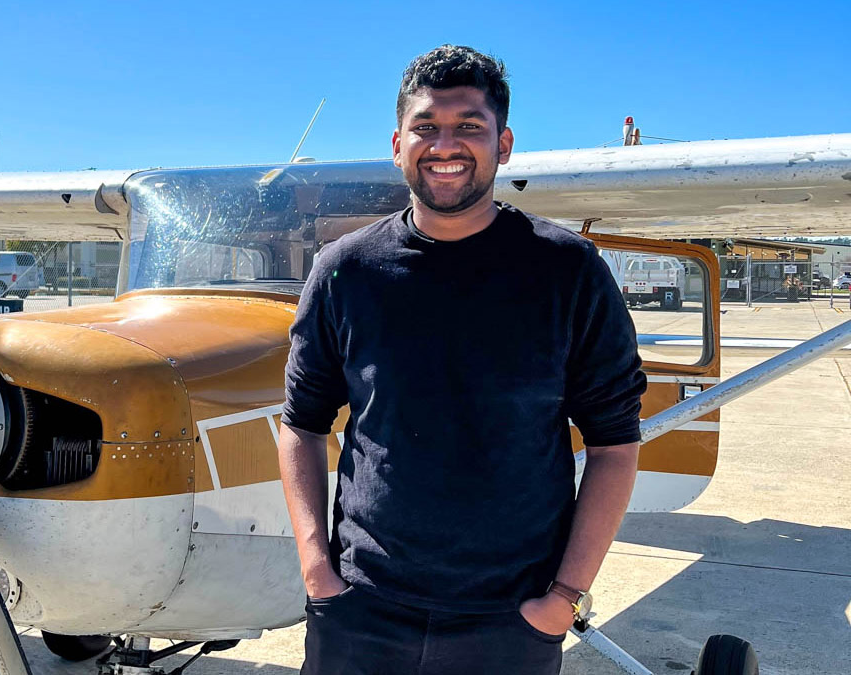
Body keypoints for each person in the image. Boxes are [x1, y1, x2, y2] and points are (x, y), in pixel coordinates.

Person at [277, 45, 647, 675]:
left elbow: (614, 444)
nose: (444, 145)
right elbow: (301, 424)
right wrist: (318, 568)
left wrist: (562, 598)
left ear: (503, 144)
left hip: (510, 619)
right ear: (398, 145)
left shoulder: (568, 271)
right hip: (362, 612)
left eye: (469, 127)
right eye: (426, 127)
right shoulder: (345, 270)